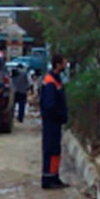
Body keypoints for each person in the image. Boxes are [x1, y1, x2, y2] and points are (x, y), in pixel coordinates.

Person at [40, 54, 69, 189]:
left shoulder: (56, 79)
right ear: (58, 64)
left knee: (56, 150)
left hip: (55, 122)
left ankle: (54, 176)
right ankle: (47, 178)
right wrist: (58, 115)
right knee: (50, 149)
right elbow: (50, 105)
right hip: (51, 122)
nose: (65, 65)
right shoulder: (50, 81)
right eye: (64, 63)